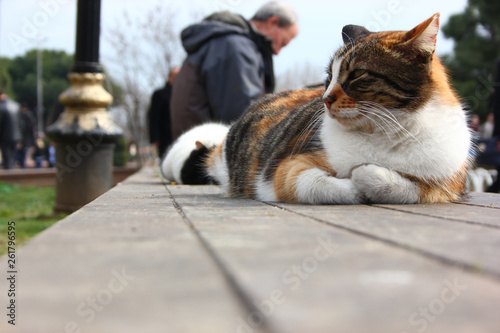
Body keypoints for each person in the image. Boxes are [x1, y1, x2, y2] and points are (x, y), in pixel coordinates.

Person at [170, 1, 298, 140]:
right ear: (272, 22)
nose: (278, 52)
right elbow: (243, 119)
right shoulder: (236, 48)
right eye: (283, 42)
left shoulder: (223, 42)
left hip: (196, 146)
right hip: (209, 152)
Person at [148, 66, 180, 158]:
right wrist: (154, 138)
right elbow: (154, 117)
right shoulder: (160, 94)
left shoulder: (185, 94)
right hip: (165, 137)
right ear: (170, 77)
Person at [0, 89, 21, 169]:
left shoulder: (1, 107)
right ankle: (12, 173)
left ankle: (9, 177)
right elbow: (21, 123)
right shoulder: (16, 105)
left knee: (7, 158)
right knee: (12, 158)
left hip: (5, 137)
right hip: (16, 136)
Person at [16, 103, 36, 168]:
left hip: (24, 139)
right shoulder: (28, 115)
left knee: (21, 155)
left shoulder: (25, 116)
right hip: (26, 139)